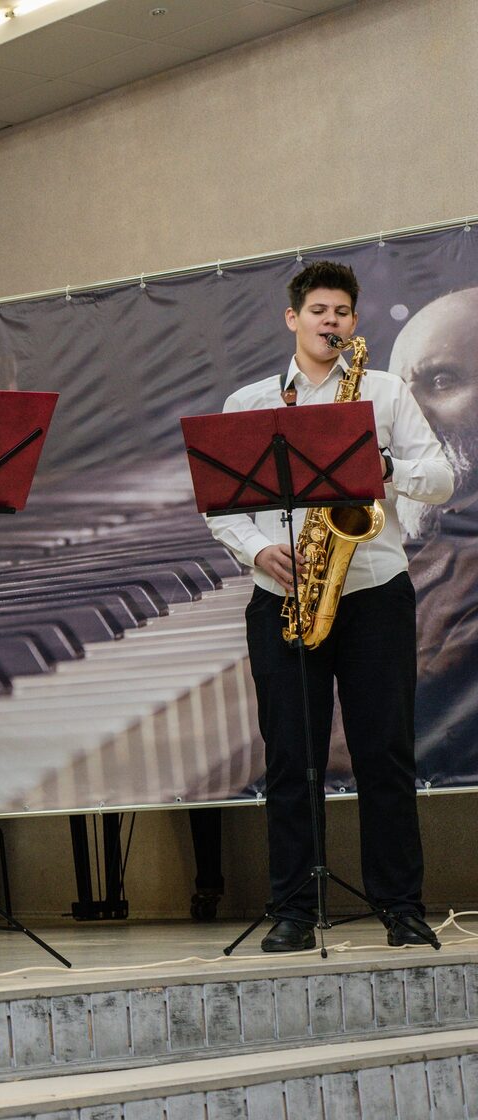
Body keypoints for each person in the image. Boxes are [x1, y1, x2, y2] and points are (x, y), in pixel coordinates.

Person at [206, 260, 451, 952]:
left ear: (354, 321)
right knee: (290, 758)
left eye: (341, 311)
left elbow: (440, 477)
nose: (331, 321)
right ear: (294, 319)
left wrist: (387, 468)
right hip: (284, 594)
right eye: (318, 310)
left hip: (375, 592)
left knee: (386, 754)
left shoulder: (385, 391)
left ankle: (400, 906)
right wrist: (259, 550)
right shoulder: (250, 403)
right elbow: (221, 504)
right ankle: (292, 909)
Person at [394, 288, 478, 780]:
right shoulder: (432, 533)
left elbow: (413, 734)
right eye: (397, 395)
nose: (407, 417)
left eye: (441, 381)